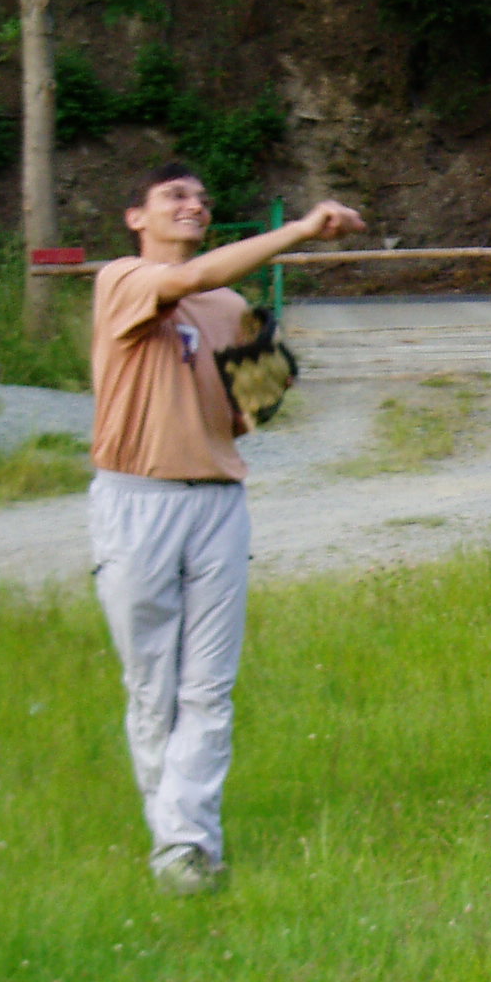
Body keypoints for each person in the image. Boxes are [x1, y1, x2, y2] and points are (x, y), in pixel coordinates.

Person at [90, 163, 364, 894]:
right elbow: (188, 279)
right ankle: (174, 832)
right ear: (136, 217)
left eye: (203, 199)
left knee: (209, 688)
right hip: (136, 500)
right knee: (154, 686)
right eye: (175, 196)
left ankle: (185, 847)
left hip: (216, 501)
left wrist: (270, 383)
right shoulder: (121, 279)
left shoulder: (229, 306)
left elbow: (245, 415)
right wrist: (301, 231)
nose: (194, 205)